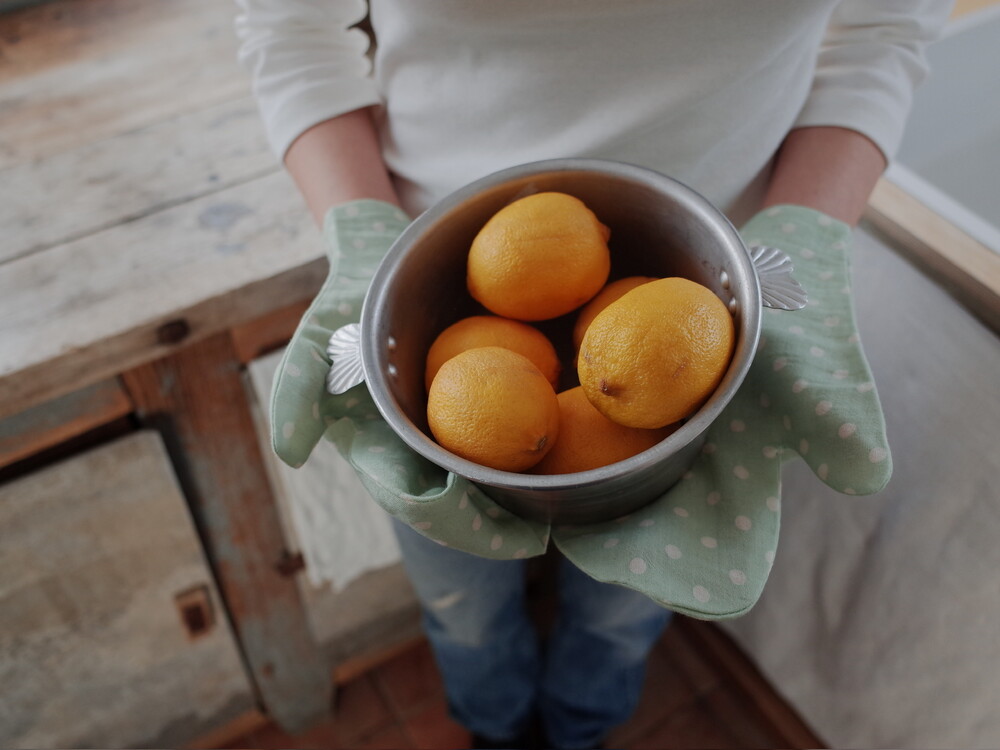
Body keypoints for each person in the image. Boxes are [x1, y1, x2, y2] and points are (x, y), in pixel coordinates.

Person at [233, 2, 952, 748]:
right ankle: (494, 728)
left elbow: (884, 31)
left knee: (621, 614)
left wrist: (806, 230)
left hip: (695, 321)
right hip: (432, 288)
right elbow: (291, 29)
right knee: (462, 606)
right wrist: (362, 235)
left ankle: (582, 731)